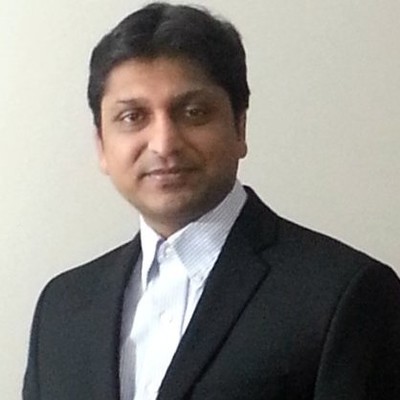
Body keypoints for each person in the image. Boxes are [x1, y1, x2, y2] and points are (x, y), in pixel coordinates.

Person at [23, 2, 400, 399]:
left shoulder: (345, 295)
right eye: (133, 117)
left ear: (239, 127)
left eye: (194, 112)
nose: (164, 144)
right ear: (101, 144)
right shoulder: (61, 308)